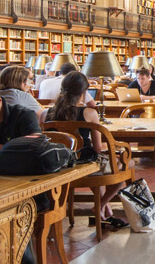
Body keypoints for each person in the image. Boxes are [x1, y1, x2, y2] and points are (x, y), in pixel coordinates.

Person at [44, 71, 126, 230]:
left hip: (59, 166)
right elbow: (96, 148)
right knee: (126, 164)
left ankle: (104, 210)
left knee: (98, 167)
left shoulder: (46, 114)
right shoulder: (89, 113)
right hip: (83, 164)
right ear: (83, 92)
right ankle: (100, 205)